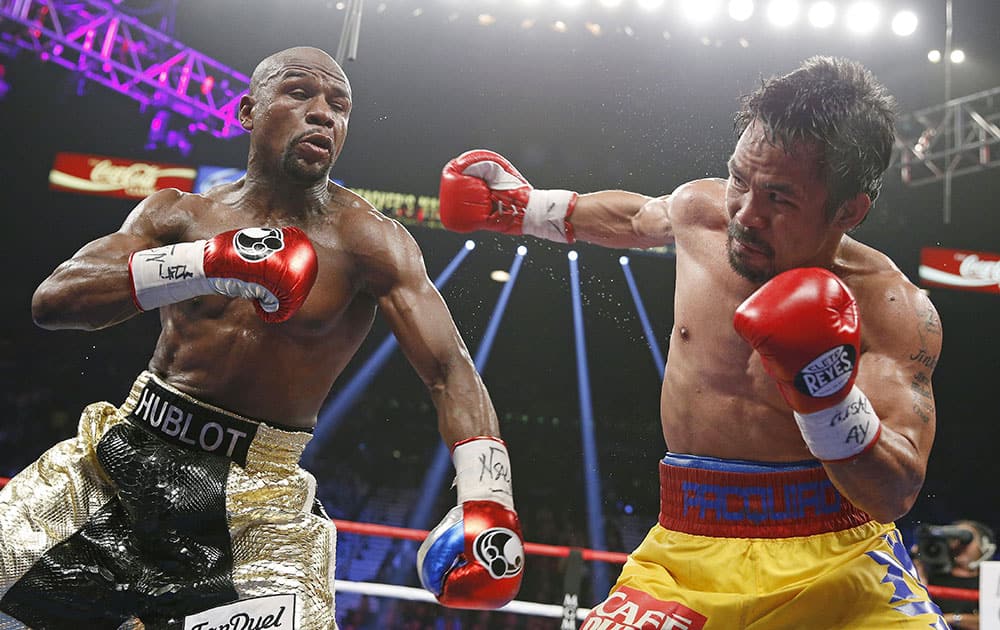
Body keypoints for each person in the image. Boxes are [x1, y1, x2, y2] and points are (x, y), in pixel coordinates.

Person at [1, 47, 524, 629]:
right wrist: (204, 263)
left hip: (259, 499)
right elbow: (53, 301)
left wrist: (488, 497)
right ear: (249, 111)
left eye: (339, 104)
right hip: (123, 458)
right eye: (300, 93)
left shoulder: (371, 241)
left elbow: (449, 370)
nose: (323, 113)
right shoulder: (180, 214)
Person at [438, 56, 947, 628]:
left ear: (850, 210)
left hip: (843, 557)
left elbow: (895, 490)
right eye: (739, 179)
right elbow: (635, 218)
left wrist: (828, 399)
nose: (744, 215)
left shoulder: (893, 310)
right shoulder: (703, 211)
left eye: (780, 198)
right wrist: (522, 209)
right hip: (687, 548)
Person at [914, 520, 997, 629]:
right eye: (954, 539)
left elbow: (993, 621)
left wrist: (952, 618)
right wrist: (915, 573)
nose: (959, 544)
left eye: (966, 539)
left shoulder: (991, 582)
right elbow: (916, 613)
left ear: (983, 545)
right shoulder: (929, 577)